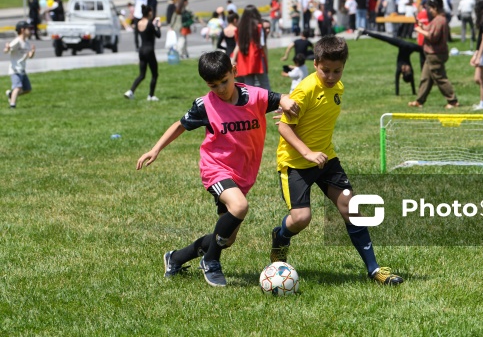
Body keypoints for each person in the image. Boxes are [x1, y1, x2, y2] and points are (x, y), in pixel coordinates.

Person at [137, 50, 299, 286]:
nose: (221, 89)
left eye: (225, 81)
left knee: (227, 239)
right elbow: (180, 125)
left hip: (243, 175)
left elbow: (278, 97)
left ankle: (175, 257)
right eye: (214, 85)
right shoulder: (205, 105)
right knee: (240, 206)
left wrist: (285, 100)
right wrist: (155, 149)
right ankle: (211, 260)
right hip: (216, 169)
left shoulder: (255, 96)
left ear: (234, 71)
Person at [269, 36, 403, 286]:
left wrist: (317, 152)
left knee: (352, 209)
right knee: (301, 219)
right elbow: (285, 128)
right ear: (315, 63)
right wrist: (308, 153)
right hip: (296, 162)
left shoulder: (338, 87)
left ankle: (374, 270)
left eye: (337, 71)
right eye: (325, 70)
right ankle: (281, 236)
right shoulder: (305, 89)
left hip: (326, 158)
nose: (331, 76)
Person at [408, 0, 459, 109]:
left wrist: (419, 30)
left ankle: (453, 101)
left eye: (430, 8)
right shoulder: (438, 20)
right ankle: (419, 101)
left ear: (435, 7)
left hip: (435, 54)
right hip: (431, 54)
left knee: (440, 78)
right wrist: (422, 26)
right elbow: (431, 29)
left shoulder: (439, 20)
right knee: (425, 78)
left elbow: (432, 36)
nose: (430, 11)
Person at [355, 28, 419, 96]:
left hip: (402, 44)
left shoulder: (399, 69)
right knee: (422, 50)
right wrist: (414, 92)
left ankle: (364, 32)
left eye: (407, 70)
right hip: (410, 47)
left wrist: (397, 94)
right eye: (410, 70)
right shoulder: (410, 71)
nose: (409, 68)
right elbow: (412, 80)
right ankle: (364, 32)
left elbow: (397, 82)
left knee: (383, 38)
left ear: (403, 72)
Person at [124, 5, 161, 101]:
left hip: (141, 50)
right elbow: (158, 35)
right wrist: (158, 26)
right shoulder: (149, 24)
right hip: (149, 50)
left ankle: (131, 91)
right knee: (155, 74)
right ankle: (151, 95)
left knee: (142, 74)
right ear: (149, 13)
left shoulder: (139, 23)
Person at [232, 5, 270, 89]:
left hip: (244, 58)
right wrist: (266, 59)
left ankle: (251, 102)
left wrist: (233, 59)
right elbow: (263, 45)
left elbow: (237, 45)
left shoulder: (240, 28)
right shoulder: (259, 27)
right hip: (257, 58)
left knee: (249, 85)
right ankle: (270, 101)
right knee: (264, 83)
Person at [4, 21, 35, 109]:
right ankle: (12, 106)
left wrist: (32, 52)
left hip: (22, 69)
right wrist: (7, 48)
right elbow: (7, 50)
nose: (30, 30)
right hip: (15, 69)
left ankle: (11, 94)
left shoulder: (27, 43)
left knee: (27, 89)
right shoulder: (17, 41)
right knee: (17, 87)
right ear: (22, 30)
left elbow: (30, 56)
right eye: (28, 29)